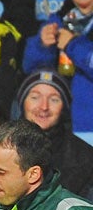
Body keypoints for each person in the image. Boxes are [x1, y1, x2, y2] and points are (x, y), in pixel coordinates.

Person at [23, 0, 93, 141]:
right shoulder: (62, 17)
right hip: (61, 127)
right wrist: (42, 44)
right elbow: (29, 67)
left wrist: (73, 45)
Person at [13, 70, 93, 199]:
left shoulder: (84, 156)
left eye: (54, 99)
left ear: (64, 108)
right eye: (35, 97)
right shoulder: (4, 146)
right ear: (22, 103)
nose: (44, 107)